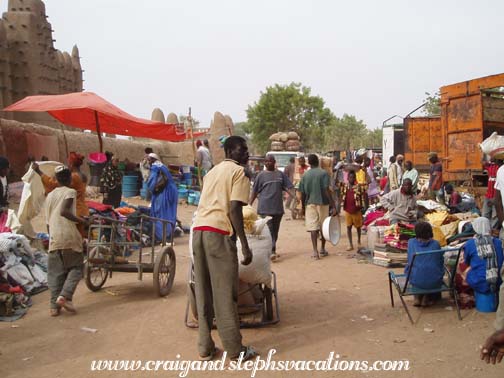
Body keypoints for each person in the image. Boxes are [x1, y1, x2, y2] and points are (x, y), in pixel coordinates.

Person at [192, 136, 257, 361]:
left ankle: (205, 347)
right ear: (230, 150)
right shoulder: (239, 173)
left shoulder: (212, 172)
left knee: (203, 291)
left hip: (198, 231)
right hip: (218, 234)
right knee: (224, 294)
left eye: (247, 150)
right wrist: (245, 246)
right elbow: (234, 210)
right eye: (242, 150)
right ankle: (235, 350)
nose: (246, 154)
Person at [45, 165, 88, 316]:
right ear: (70, 179)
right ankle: (65, 296)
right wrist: (82, 221)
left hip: (54, 238)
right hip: (69, 235)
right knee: (76, 268)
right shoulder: (70, 191)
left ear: (55, 180)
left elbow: (48, 222)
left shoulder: (49, 196)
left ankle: (53, 307)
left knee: (56, 273)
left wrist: (51, 238)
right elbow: (64, 211)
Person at [250, 154, 295, 261]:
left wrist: (295, 197)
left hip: (277, 209)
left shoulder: (280, 175)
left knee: (275, 230)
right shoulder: (260, 176)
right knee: (269, 230)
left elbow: (288, 187)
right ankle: (272, 251)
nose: (267, 163)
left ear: (274, 162)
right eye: (266, 161)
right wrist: (249, 204)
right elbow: (255, 191)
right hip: (265, 208)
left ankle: (271, 249)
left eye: (270, 161)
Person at [33, 152, 89, 236]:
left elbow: (52, 184)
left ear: (71, 164)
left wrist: (39, 172)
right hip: (82, 209)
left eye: (68, 163)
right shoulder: (83, 175)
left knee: (75, 236)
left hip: (75, 211)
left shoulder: (74, 177)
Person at [299, 154, 336, 259]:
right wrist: (333, 205)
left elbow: (303, 193)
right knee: (323, 227)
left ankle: (315, 252)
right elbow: (326, 190)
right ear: (317, 162)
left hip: (310, 203)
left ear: (309, 163)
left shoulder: (305, 175)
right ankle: (322, 249)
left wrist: (302, 207)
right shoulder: (324, 173)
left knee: (313, 228)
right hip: (323, 203)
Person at [405, 222, 443, 307]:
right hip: (435, 281)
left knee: (412, 270)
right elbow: (440, 261)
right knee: (431, 270)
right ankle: (426, 297)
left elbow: (409, 261)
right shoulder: (436, 244)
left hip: (416, 280)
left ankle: (417, 298)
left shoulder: (411, 243)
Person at [462, 217, 503, 296]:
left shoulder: (470, 243)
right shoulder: (498, 242)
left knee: (464, 269)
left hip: (479, 282)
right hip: (499, 281)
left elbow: (466, 261)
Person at [147, 153, 178, 242]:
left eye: (149, 160)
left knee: (161, 213)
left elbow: (152, 184)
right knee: (170, 213)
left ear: (152, 160)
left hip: (164, 193)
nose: (148, 162)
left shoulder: (155, 167)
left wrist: (151, 190)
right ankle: (168, 235)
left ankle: (161, 236)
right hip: (172, 191)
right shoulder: (162, 166)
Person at [340, 170, 365, 251]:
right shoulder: (344, 186)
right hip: (347, 210)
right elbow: (335, 183)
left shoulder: (358, 187)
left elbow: (368, 183)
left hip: (356, 210)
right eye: (350, 177)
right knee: (348, 227)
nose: (352, 179)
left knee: (358, 227)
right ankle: (350, 244)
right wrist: (337, 170)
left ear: (355, 178)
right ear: (347, 178)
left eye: (353, 177)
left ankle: (359, 241)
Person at [483, 158, 501, 227]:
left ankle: (492, 231)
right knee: (485, 214)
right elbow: (483, 163)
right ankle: (485, 229)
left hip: (496, 196)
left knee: (495, 216)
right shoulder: (490, 166)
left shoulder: (499, 167)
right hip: (488, 195)